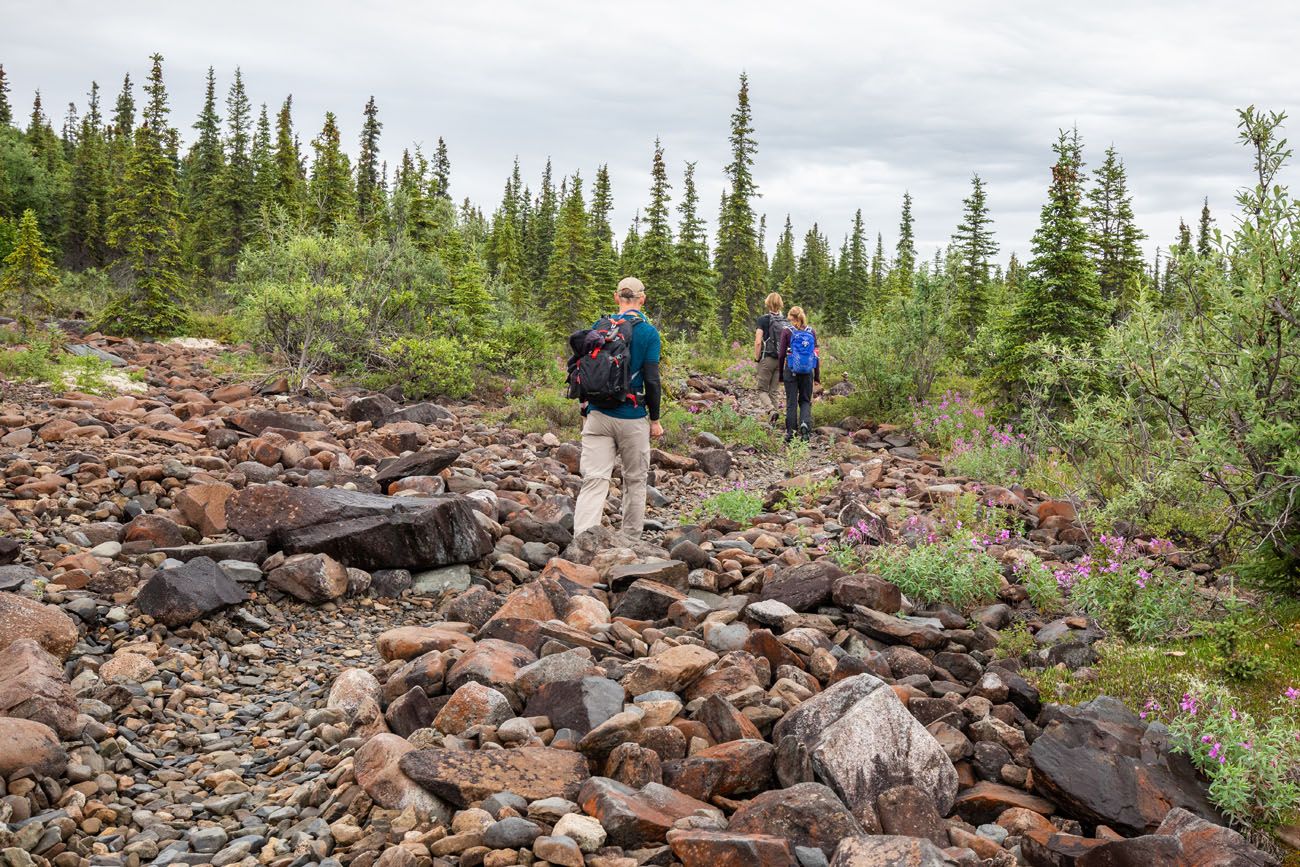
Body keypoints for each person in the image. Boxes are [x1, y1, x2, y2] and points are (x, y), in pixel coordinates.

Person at [572, 276, 664, 539]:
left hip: (598, 415)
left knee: (594, 480)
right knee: (634, 481)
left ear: (616, 297)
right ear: (642, 299)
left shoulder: (599, 326)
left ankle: (583, 539)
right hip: (632, 417)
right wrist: (655, 420)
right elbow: (652, 380)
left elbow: (584, 370)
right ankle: (630, 540)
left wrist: (585, 410)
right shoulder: (648, 333)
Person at [778, 305, 819, 442]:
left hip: (791, 371)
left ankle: (791, 433)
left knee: (791, 402)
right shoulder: (811, 331)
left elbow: (782, 354)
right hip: (807, 372)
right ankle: (805, 427)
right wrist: (817, 375)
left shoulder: (787, 331)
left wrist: (780, 374)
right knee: (806, 400)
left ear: (791, 317)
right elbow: (816, 355)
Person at [752, 292, 787, 423]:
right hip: (781, 360)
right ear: (780, 304)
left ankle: (771, 411)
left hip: (767, 358)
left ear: (767, 303)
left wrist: (757, 358)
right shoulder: (785, 321)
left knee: (761, 390)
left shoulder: (763, 319)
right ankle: (774, 422)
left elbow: (758, 341)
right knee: (774, 391)